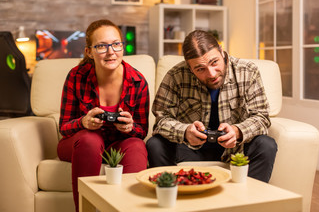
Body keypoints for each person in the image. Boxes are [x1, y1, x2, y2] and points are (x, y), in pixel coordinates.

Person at [146, 30, 277, 183]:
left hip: (236, 149)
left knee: (266, 145)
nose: (211, 74)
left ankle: (249, 202)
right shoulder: (175, 76)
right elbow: (161, 120)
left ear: (221, 51)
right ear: (189, 68)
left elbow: (261, 117)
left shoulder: (247, 71)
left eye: (214, 62)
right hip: (190, 149)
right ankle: (174, 198)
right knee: (155, 145)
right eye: (200, 69)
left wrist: (237, 131)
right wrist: (185, 132)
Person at [57, 19, 149, 211]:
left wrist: (130, 127)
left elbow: (142, 131)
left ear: (122, 47)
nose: (111, 52)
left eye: (116, 44)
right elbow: (64, 127)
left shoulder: (138, 81)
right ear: (89, 52)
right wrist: (83, 122)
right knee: (90, 139)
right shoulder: (76, 76)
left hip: (119, 142)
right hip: (80, 144)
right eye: (101, 46)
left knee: (136, 145)